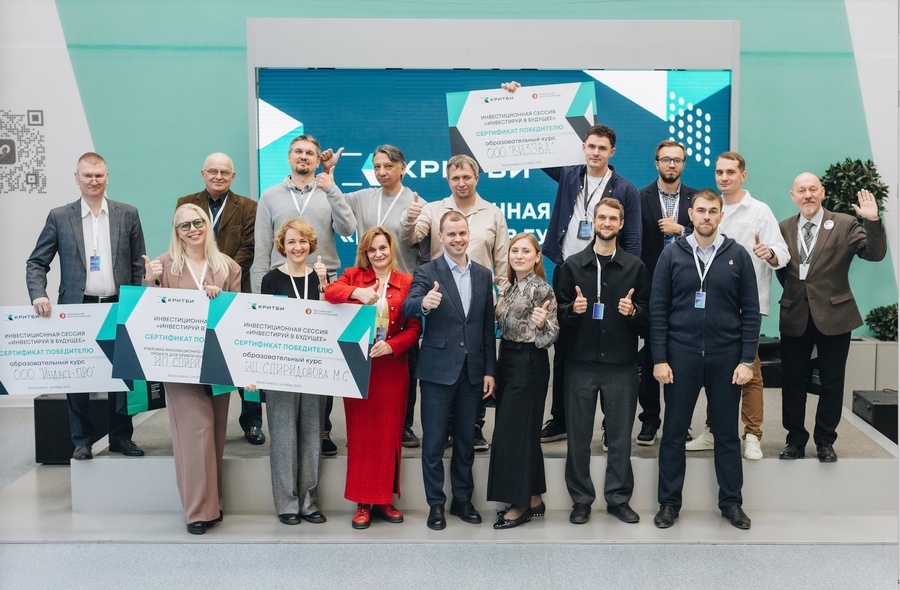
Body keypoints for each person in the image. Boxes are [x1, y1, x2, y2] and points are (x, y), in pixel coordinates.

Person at [501, 80, 642, 446]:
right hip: (569, 269)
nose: (595, 152)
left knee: (607, 346)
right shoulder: (568, 174)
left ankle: (611, 426)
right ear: (583, 147)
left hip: (609, 273)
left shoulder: (625, 189)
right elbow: (534, 149)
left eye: (602, 148)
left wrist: (628, 277)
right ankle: (561, 419)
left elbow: (634, 241)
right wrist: (517, 101)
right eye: (591, 146)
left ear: (612, 152)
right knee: (564, 345)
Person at [650, 189, 759, 531]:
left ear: (720, 215)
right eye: (701, 210)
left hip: (726, 358)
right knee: (673, 433)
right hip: (680, 356)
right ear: (691, 214)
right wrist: (659, 358)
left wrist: (746, 360)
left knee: (726, 434)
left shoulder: (737, 255)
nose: (707, 216)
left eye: (713, 211)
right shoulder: (672, 254)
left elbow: (751, 312)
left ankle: (732, 503)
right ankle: (669, 503)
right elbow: (658, 310)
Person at [26, 152, 145, 461]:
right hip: (77, 309)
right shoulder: (59, 216)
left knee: (122, 376)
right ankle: (82, 441)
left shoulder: (127, 214)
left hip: (117, 305)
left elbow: (137, 264)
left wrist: (137, 305)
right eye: (88, 175)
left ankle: (121, 437)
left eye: (99, 175)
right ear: (76, 178)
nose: (94, 180)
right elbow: (37, 262)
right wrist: (38, 294)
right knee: (77, 377)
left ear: (107, 177)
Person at [251, 134, 356, 456]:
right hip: (281, 284)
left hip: (323, 282)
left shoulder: (328, 191)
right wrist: (258, 301)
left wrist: (333, 189)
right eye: (298, 151)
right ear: (288, 157)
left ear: (316, 159)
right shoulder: (270, 196)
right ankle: (288, 429)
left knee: (322, 358)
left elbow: (348, 229)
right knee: (286, 357)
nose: (303, 156)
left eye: (310, 152)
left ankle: (322, 429)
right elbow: (262, 249)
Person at [143, 204, 242, 534]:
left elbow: (237, 313)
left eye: (198, 222)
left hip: (218, 360)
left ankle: (214, 503)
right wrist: (150, 281)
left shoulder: (227, 266)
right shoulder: (164, 264)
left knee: (215, 433)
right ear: (177, 232)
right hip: (180, 364)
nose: (193, 229)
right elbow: (149, 313)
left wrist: (220, 299)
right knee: (194, 433)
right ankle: (198, 511)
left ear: (207, 225)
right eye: (184, 225)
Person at [400, 153, 508, 451]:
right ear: (448, 180)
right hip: (442, 301)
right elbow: (410, 237)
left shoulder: (493, 213)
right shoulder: (433, 210)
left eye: (467, 177)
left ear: (476, 178)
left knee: (476, 361)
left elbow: (502, 262)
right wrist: (409, 218)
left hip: (479, 300)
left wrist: (502, 300)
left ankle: (474, 426)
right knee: (447, 364)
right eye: (455, 178)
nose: (462, 183)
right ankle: (447, 426)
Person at [686, 152, 790, 459]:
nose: (724, 177)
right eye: (719, 172)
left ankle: (752, 435)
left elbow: (782, 252)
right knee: (714, 370)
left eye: (730, 172)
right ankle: (713, 431)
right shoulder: (711, 207)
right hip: (710, 304)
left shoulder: (759, 210)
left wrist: (769, 252)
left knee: (749, 369)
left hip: (747, 305)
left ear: (743, 175)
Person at [777, 174, 886, 463]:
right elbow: (782, 270)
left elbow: (874, 254)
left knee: (832, 382)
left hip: (835, 315)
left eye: (813, 189)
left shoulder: (845, 223)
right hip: (795, 314)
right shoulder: (784, 227)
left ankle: (825, 440)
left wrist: (872, 220)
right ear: (793, 196)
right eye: (802, 190)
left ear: (822, 192)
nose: (808, 195)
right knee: (792, 382)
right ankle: (795, 440)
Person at [556, 198, 650, 525]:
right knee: (578, 437)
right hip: (579, 364)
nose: (607, 223)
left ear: (621, 224)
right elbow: (557, 317)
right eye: (602, 217)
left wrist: (634, 312)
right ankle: (581, 500)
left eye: (613, 218)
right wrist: (572, 311)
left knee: (621, 438)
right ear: (593, 221)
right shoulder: (571, 266)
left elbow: (649, 319)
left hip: (622, 366)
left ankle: (618, 499)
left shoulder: (636, 268)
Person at [402, 211, 496, 531]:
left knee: (466, 441)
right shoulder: (427, 271)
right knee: (433, 442)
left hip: (472, 372)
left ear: (469, 234)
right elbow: (409, 305)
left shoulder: (483, 274)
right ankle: (436, 504)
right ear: (441, 237)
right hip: (437, 371)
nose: (458, 239)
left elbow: (486, 328)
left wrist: (489, 370)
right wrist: (424, 304)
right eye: (451, 234)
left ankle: (462, 500)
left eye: (462, 233)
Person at [325, 227, 422, 529]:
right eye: (372, 250)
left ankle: (384, 500)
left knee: (389, 437)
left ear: (391, 248)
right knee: (361, 438)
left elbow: (415, 328)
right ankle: (362, 502)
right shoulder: (353, 276)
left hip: (392, 368)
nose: (378, 254)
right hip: (358, 370)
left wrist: (392, 346)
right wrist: (357, 292)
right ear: (365, 253)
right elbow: (330, 293)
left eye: (382, 248)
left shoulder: (407, 282)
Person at [338, 144, 428, 448]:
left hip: (401, 290)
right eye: (377, 166)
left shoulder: (418, 203)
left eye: (388, 166)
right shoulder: (363, 196)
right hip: (367, 289)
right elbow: (335, 206)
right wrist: (328, 176)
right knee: (364, 359)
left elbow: (421, 247)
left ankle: (404, 424)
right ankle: (364, 423)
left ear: (403, 168)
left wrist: (411, 221)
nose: (381, 172)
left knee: (405, 361)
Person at [177, 153, 265, 446]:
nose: (218, 176)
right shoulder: (186, 203)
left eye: (224, 172)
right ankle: (204, 419)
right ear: (203, 173)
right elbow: (181, 240)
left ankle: (252, 421)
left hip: (234, 289)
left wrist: (222, 275)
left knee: (243, 355)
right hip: (195, 293)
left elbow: (249, 248)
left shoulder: (249, 207)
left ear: (233, 176)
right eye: (213, 171)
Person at [258, 218, 331, 526]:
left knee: (312, 435)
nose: (297, 247)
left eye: (302, 241)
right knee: (284, 436)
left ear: (310, 244)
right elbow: (264, 326)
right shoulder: (271, 280)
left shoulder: (320, 277)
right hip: (281, 369)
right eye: (291, 242)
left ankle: (309, 502)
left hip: (315, 369)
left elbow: (330, 319)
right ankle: (287, 504)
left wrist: (325, 284)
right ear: (282, 246)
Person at [487, 233, 558, 530]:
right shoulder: (508, 287)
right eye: (514, 250)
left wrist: (542, 325)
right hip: (508, 360)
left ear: (537, 257)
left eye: (526, 251)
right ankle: (534, 498)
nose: (518, 255)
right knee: (519, 433)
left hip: (529, 362)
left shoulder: (542, 288)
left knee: (516, 434)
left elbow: (552, 334)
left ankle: (520, 505)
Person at [636, 140, 697, 446]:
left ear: (683, 164)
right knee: (650, 355)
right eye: (666, 159)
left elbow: (708, 235)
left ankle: (679, 422)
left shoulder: (696, 198)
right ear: (656, 163)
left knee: (682, 358)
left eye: (677, 160)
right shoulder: (639, 197)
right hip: (650, 287)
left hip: (687, 289)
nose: (671, 164)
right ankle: (649, 420)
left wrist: (681, 230)